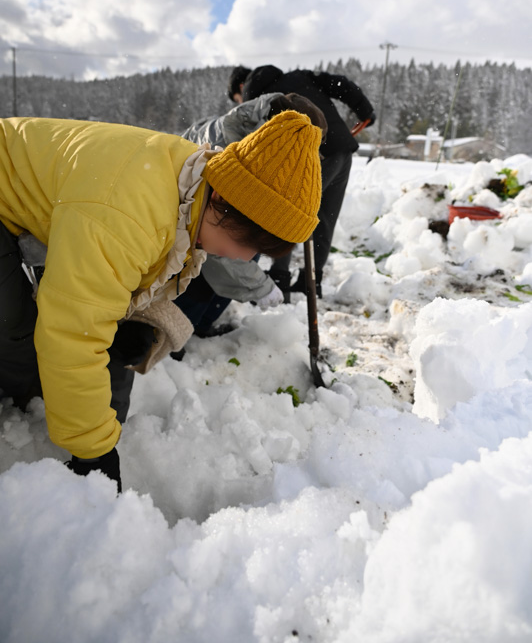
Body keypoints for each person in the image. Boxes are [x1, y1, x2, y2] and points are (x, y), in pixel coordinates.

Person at [0, 111, 322, 492]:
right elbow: (70, 332)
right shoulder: (128, 213)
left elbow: (113, 285)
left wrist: (127, 317)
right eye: (247, 243)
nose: (246, 259)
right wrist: (93, 452)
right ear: (222, 198)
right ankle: (23, 413)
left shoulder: (192, 184)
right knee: (18, 333)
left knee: (98, 349)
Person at [171, 92, 328, 343]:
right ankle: (171, 333)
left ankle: (199, 326)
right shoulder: (235, 151)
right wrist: (260, 286)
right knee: (204, 268)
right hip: (184, 220)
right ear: (279, 130)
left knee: (246, 247)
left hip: (207, 224)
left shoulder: (270, 152)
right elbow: (217, 248)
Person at [228, 64, 377, 297]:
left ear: (240, 86)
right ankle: (311, 280)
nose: (239, 102)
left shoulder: (258, 100)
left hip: (312, 154)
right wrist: (364, 109)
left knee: (287, 212)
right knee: (325, 216)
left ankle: (280, 278)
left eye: (237, 98)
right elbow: (341, 84)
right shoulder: (300, 77)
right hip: (341, 149)